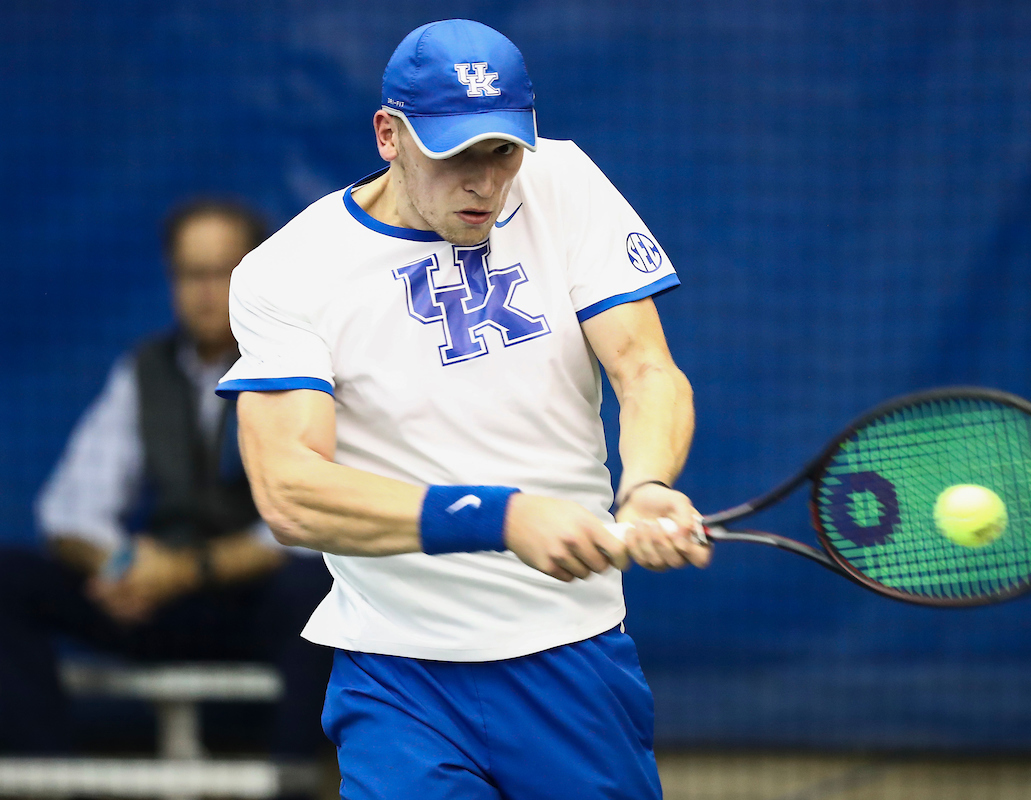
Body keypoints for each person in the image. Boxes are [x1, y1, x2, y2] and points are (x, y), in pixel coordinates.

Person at [218, 19, 710, 800]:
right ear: (389, 135)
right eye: (455, 154)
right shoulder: (286, 274)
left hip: (573, 658)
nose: (484, 181)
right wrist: (501, 517)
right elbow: (289, 493)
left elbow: (646, 368)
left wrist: (646, 485)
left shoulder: (564, 182)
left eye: (504, 150)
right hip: (399, 678)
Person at [0, 200, 333, 763]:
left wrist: (192, 568)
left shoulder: (299, 369)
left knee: (315, 587)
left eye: (223, 272)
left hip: (255, 604)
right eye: (190, 274)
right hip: (158, 602)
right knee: (8, 578)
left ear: (258, 274)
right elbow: (68, 510)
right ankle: (54, 776)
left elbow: (312, 523)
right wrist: (126, 567)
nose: (206, 292)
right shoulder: (146, 370)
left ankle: (295, 781)